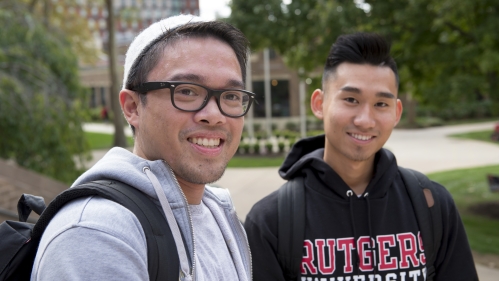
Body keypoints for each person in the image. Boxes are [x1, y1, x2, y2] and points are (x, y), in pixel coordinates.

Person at [31, 15, 253, 281]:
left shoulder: (219, 215)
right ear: (132, 107)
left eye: (230, 96)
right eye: (187, 91)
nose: (214, 115)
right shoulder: (97, 233)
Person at [244, 33, 478, 280]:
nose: (365, 120)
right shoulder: (270, 221)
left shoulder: (432, 205)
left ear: (397, 112)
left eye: (381, 104)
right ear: (319, 104)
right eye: (351, 99)